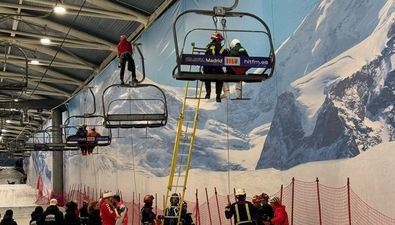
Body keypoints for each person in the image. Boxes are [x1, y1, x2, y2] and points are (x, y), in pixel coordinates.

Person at [202, 32, 228, 103]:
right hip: (217, 69)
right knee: (220, 78)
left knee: (207, 78)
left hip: (208, 70)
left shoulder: (208, 47)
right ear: (217, 40)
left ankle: (208, 93)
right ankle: (218, 95)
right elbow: (225, 54)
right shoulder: (219, 48)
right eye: (220, 40)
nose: (220, 42)